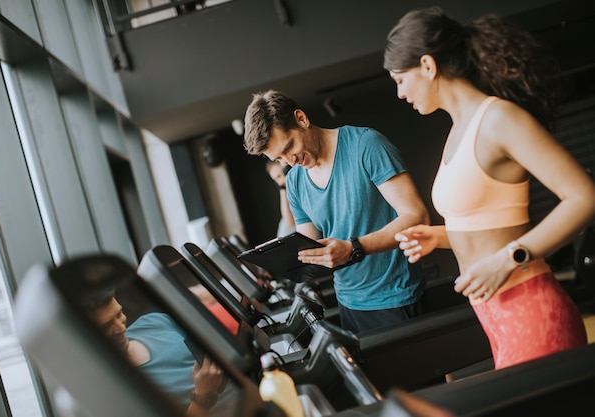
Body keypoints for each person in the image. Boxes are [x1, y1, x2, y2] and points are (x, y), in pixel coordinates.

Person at [384, 6, 595, 369]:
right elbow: (490, 222)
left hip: (530, 309)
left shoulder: (498, 119)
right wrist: (441, 236)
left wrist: (509, 257)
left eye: (400, 80)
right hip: (494, 318)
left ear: (428, 66)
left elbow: (584, 197)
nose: (400, 93)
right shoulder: (457, 131)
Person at [243, 89, 430, 334]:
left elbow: (417, 217)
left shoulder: (366, 145)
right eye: (279, 158)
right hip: (348, 303)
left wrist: (353, 248)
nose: (290, 161)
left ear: (301, 118)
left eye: (290, 147)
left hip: (395, 297)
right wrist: (283, 258)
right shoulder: (296, 182)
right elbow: (309, 245)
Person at [83, 289, 229, 417]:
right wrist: (203, 397)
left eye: (119, 314)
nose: (120, 328)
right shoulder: (116, 390)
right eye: (105, 327)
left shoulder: (154, 321)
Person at [265, 160, 296, 237]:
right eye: (276, 180)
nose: (279, 183)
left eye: (279, 176)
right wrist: (282, 189)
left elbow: (290, 222)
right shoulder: (285, 188)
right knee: (283, 223)